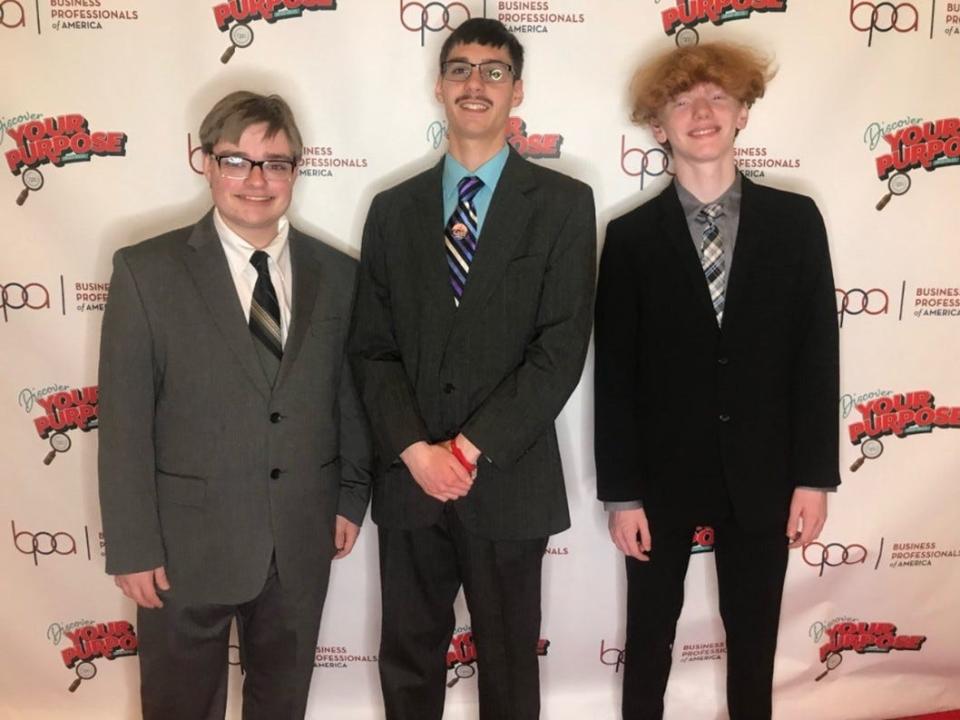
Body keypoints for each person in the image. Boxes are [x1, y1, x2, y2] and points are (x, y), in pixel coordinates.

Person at [348, 18, 596, 720]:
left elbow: (559, 351)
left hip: (508, 483)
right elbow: (372, 347)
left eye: (493, 71)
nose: (475, 83)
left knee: (512, 670)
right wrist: (416, 452)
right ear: (439, 86)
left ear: (517, 90)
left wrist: (465, 448)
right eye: (460, 69)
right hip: (409, 482)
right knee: (407, 661)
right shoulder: (392, 211)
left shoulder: (563, 205)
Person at [97, 90, 372, 720]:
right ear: (205, 162)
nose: (256, 180)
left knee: (282, 704)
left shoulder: (340, 274)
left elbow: (349, 397)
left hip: (301, 536)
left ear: (296, 170)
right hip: (182, 547)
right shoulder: (146, 271)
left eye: (275, 163)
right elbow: (124, 421)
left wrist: (351, 495)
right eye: (236, 160)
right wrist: (134, 545)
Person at [594, 42, 840, 719]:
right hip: (659, 479)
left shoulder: (796, 224)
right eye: (682, 102)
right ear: (657, 125)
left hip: (766, 473)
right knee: (648, 640)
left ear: (742, 115)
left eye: (717, 99)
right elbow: (615, 376)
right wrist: (621, 494)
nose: (701, 113)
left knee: (755, 642)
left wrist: (815, 476)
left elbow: (817, 355)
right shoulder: (630, 237)